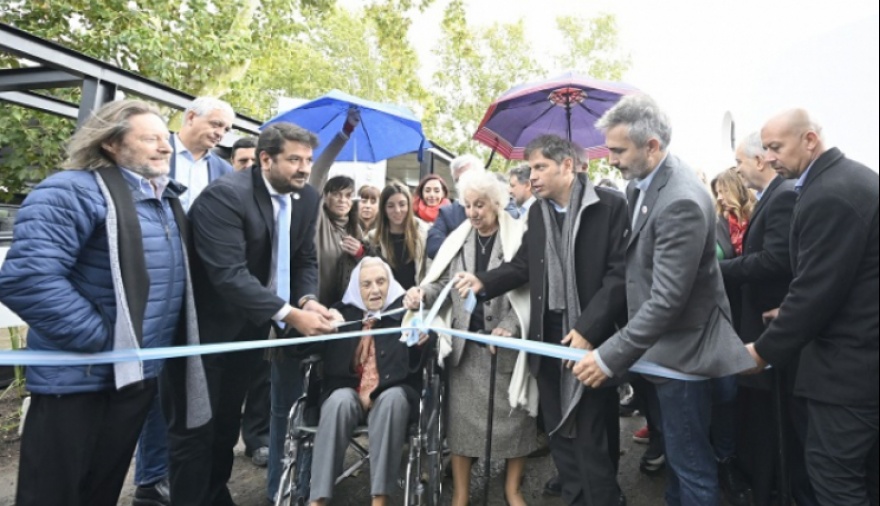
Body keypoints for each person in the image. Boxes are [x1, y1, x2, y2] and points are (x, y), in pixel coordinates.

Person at [0, 100, 209, 506]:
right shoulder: (69, 191)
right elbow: (28, 279)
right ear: (111, 144)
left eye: (164, 138)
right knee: (52, 495)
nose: (165, 147)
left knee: (101, 491)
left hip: (134, 377)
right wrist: (102, 338)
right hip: (78, 379)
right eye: (150, 138)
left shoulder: (164, 201)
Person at [573, 94, 755, 506]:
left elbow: (667, 300)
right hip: (664, 351)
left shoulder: (682, 201)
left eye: (618, 150)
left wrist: (608, 357)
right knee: (679, 459)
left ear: (651, 146)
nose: (611, 160)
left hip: (684, 356)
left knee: (692, 467)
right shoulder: (646, 184)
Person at [163, 121, 335, 506]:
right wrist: (291, 314)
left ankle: (215, 494)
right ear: (264, 159)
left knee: (225, 425)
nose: (304, 168)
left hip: (250, 331)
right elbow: (228, 276)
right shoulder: (224, 196)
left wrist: (307, 299)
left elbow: (305, 258)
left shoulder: (306, 198)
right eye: (294, 159)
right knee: (194, 431)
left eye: (307, 160)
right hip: (204, 333)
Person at [455, 134, 629, 505]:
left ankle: (603, 499)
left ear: (567, 166)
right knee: (558, 428)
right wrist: (483, 282)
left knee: (592, 430)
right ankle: (573, 495)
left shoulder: (611, 205)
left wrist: (587, 330)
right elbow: (523, 266)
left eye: (540, 167)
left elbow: (620, 277)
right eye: (530, 168)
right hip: (546, 334)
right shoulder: (537, 211)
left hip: (591, 336)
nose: (531, 176)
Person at [745, 109, 878, 506]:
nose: (768, 157)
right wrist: (786, 310)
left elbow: (817, 289)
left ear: (809, 140)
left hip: (850, 369)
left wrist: (763, 350)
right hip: (859, 358)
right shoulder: (844, 179)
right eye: (766, 148)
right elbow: (845, 276)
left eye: (775, 147)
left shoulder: (831, 192)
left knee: (833, 474)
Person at [405, 170, 537, 506]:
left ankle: (512, 490)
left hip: (504, 346)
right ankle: (461, 496)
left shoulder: (518, 235)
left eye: (480, 205)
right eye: (467, 205)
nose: (473, 212)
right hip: (466, 350)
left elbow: (530, 289)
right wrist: (422, 293)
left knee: (515, 426)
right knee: (462, 430)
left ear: (496, 203)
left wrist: (509, 325)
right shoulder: (458, 238)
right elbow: (443, 284)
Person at [720, 131, 816, 506]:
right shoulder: (772, 197)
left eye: (740, 162)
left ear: (759, 161)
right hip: (760, 323)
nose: (738, 171)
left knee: (778, 424)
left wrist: (722, 270)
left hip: (773, 329)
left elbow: (777, 259)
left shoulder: (783, 196)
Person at [309, 257, 431, 506]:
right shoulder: (341, 313)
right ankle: (318, 498)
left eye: (381, 282)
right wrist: (322, 326)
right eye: (366, 284)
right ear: (356, 287)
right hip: (349, 391)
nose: (375, 289)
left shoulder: (407, 314)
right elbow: (304, 350)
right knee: (337, 402)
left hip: (392, 393)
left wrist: (425, 340)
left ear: (390, 283)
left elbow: (430, 358)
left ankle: (380, 497)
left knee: (393, 399)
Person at [709, 166, 756, 506]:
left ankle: (735, 457)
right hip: (721, 323)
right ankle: (721, 460)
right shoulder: (714, 223)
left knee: (741, 396)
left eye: (723, 190)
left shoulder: (756, 220)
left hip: (751, 320)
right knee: (724, 395)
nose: (720, 198)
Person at [169, 96, 235, 211]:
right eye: (216, 124)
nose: (220, 133)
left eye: (226, 130)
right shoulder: (152, 150)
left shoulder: (225, 171)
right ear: (191, 117)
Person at [369, 182, 428, 291]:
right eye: (390, 206)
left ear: (409, 206)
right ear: (384, 209)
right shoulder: (373, 239)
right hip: (387, 303)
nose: (397, 210)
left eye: (402, 204)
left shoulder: (424, 234)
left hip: (417, 302)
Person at [426, 154, 484, 258]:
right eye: (458, 180)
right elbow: (433, 247)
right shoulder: (448, 213)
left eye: (467, 176)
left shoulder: (500, 207)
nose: (462, 183)